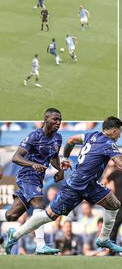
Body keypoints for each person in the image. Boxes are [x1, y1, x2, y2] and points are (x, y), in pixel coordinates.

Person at [5, 116, 122, 255]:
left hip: (90, 184)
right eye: (119, 132)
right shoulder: (108, 143)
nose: (120, 136)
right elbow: (121, 165)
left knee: (114, 204)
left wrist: (65, 158)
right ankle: (15, 235)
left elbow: (71, 140)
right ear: (113, 131)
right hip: (75, 186)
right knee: (49, 216)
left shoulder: (92, 135)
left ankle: (103, 238)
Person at [0, 108, 63, 255]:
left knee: (12, 215)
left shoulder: (57, 138)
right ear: (46, 119)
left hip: (38, 179)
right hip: (27, 176)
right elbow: (16, 157)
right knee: (39, 204)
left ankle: (14, 234)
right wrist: (31, 164)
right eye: (55, 119)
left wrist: (59, 170)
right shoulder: (34, 136)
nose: (58, 122)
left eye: (60, 120)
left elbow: (54, 157)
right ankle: (40, 245)